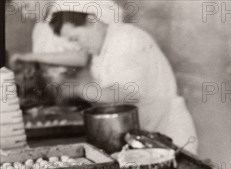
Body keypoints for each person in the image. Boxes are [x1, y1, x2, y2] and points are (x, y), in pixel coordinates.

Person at [26, 3, 198, 152]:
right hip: (145, 135)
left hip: (168, 134)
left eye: (76, 38)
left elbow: (125, 93)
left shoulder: (126, 39)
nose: (77, 46)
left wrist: (75, 88)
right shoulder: (102, 48)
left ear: (93, 21)